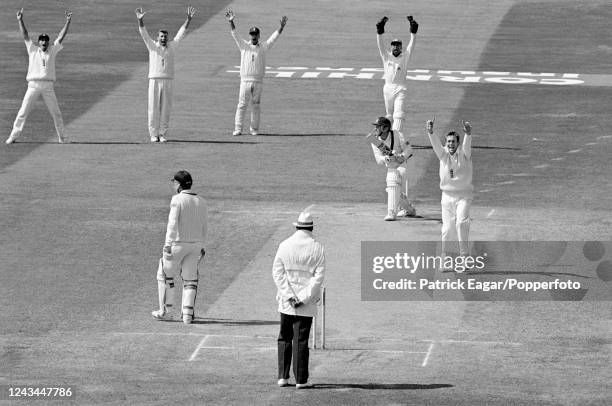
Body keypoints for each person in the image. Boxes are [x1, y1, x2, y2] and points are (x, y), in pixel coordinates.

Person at [272, 212, 325, 389]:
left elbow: (277, 273)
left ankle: (283, 376)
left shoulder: (284, 245)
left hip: (287, 302)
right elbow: (318, 278)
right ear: (311, 228)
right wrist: (303, 298)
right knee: (301, 339)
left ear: (297, 227)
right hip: (306, 302)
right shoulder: (317, 247)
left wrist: (289, 295)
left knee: (285, 337)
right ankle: (301, 380)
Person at [6, 8, 72, 145]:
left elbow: (61, 36)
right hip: (33, 86)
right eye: (41, 40)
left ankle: (63, 138)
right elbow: (25, 35)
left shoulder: (53, 50)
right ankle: (13, 136)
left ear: (48, 42)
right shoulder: (32, 49)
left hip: (48, 87)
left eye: (45, 40)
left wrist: (68, 21)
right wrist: (20, 20)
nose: (43, 42)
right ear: (38, 42)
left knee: (56, 113)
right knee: (23, 112)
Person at [152, 170, 208, 324]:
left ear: (178, 184)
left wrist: (168, 244)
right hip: (195, 245)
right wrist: (202, 245)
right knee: (190, 279)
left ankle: (165, 311)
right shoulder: (201, 201)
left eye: (174, 183)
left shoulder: (177, 199)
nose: (173, 186)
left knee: (164, 274)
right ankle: (187, 315)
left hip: (177, 244)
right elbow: (204, 225)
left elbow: (172, 223)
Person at [136, 6, 196, 143]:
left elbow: (181, 34)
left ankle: (162, 134)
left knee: (165, 109)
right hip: (154, 80)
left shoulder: (172, 46)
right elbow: (144, 34)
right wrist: (140, 20)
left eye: (165, 37)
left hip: (168, 80)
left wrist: (188, 20)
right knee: (153, 108)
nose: (163, 38)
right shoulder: (152, 46)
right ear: (157, 38)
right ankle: (153, 134)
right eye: (161, 36)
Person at [225, 9, 288, 136]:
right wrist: (231, 22)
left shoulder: (263, 47)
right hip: (245, 80)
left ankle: (254, 129)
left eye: (255, 34)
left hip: (258, 81)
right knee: (242, 105)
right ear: (249, 36)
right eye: (252, 34)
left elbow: (273, 39)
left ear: (259, 36)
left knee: (256, 106)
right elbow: (235, 35)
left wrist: (281, 28)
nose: (253, 36)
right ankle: (238, 129)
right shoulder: (244, 46)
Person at [426, 118, 474, 258]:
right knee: (446, 229)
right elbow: (436, 145)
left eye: (453, 141)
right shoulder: (443, 155)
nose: (451, 144)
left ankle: (464, 255)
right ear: (446, 144)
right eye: (448, 142)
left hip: (464, 196)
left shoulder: (465, 155)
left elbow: (467, 145)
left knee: (461, 223)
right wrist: (430, 132)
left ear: (457, 143)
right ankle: (445, 257)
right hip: (446, 196)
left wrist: (468, 134)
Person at [375, 15, 419, 138]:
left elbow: (412, 45)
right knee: (389, 116)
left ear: (401, 47)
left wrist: (413, 32)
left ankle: (397, 138)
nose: (395, 47)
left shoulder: (405, 57)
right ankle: (386, 138)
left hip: (400, 88)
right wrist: (380, 31)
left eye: (398, 45)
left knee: (398, 114)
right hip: (387, 89)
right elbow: (380, 45)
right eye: (393, 45)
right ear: (391, 46)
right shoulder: (386, 56)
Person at [367, 116, 416, 221]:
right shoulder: (374, 140)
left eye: (377, 127)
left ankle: (391, 213)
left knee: (393, 181)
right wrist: (386, 158)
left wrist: (401, 157)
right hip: (392, 166)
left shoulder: (398, 134)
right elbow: (379, 160)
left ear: (385, 128)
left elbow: (409, 150)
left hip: (406, 163)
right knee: (392, 188)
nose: (375, 129)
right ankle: (410, 210)